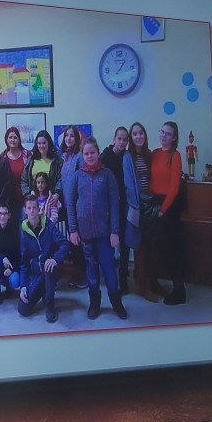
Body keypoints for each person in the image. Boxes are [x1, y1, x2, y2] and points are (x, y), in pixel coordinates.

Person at [65, 137, 126, 320]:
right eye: (86, 153)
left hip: (105, 234)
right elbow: (70, 204)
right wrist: (73, 230)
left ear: (98, 153)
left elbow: (114, 204)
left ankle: (116, 302)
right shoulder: (77, 176)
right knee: (91, 270)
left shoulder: (107, 175)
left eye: (92, 152)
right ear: (82, 155)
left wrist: (114, 231)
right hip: (84, 234)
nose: (89, 156)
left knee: (109, 269)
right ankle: (94, 303)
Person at [123, 121, 160, 303]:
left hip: (150, 204)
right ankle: (143, 287)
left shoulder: (148, 154)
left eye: (141, 133)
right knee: (139, 247)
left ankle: (152, 282)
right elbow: (129, 184)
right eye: (135, 133)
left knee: (150, 245)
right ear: (131, 137)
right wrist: (136, 206)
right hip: (136, 206)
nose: (138, 136)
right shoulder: (127, 156)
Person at [151, 120, 187, 305]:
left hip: (168, 207)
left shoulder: (176, 156)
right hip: (154, 204)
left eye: (168, 134)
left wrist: (163, 210)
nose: (163, 136)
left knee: (173, 249)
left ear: (174, 138)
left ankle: (179, 290)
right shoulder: (155, 153)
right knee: (159, 248)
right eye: (162, 132)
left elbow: (174, 188)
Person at [18, 194, 70, 323]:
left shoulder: (48, 224)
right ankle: (44, 291)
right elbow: (24, 262)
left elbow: (64, 244)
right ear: (25, 210)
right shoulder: (23, 231)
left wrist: (55, 259)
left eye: (34, 208)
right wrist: (23, 286)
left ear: (39, 209)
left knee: (48, 267)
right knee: (23, 309)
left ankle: (50, 303)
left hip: (51, 268)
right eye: (29, 208)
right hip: (36, 273)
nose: (32, 211)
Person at [100, 126, 130, 294]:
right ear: (114, 139)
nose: (122, 142)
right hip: (108, 207)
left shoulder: (127, 157)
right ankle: (111, 280)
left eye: (125, 140)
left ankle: (123, 280)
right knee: (109, 244)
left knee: (125, 243)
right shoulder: (105, 157)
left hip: (124, 205)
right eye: (119, 138)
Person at [58, 125, 89, 290]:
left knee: (79, 241)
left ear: (77, 139)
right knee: (73, 240)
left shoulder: (79, 157)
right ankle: (77, 272)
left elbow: (82, 181)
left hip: (77, 205)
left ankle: (84, 275)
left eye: (72, 136)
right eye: (66, 136)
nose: (68, 138)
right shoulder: (65, 157)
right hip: (65, 204)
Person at [20, 129, 62, 204]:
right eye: (39, 143)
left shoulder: (56, 160)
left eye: (44, 143)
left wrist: (57, 194)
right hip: (33, 201)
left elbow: (60, 179)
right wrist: (28, 195)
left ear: (49, 143)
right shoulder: (31, 160)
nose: (41, 146)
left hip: (51, 200)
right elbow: (24, 180)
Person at [1, 126, 27, 223]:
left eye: (15, 137)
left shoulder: (27, 155)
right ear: (6, 139)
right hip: (8, 199)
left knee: (23, 225)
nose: (13, 140)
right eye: (10, 137)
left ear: (19, 139)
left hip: (24, 197)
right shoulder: (2, 157)